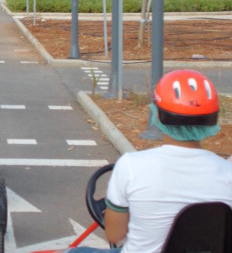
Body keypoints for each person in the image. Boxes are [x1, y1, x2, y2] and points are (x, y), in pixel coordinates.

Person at [64, 69, 232, 253]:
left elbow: (115, 235)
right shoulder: (228, 172)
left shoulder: (131, 166)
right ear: (212, 119)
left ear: (158, 114)